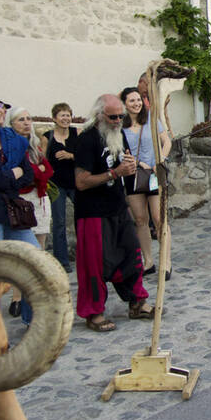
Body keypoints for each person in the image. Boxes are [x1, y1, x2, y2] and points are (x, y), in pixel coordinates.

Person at [74, 94, 154, 332]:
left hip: (117, 206)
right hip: (93, 212)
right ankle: (94, 312)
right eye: (113, 117)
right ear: (100, 116)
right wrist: (115, 173)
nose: (118, 120)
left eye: (121, 116)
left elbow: (123, 166)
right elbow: (81, 182)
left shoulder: (118, 134)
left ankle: (137, 302)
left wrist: (130, 167)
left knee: (132, 254)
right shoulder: (87, 139)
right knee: (95, 264)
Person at [0, 93, 40, 325]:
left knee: (34, 263)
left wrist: (1, 177)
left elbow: (28, 175)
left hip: (13, 213)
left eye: (0, 105)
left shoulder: (12, 140)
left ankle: (33, 322)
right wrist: (10, 174)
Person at [120, 87, 172, 278]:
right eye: (131, 101)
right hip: (133, 175)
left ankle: (166, 261)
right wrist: (135, 162)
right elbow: (119, 150)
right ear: (124, 104)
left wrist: (160, 160)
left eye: (138, 100)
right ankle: (148, 260)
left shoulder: (151, 119)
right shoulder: (120, 125)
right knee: (140, 219)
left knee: (159, 218)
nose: (136, 104)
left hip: (153, 174)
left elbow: (167, 142)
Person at [7, 107, 54, 318]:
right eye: (21, 119)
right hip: (20, 200)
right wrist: (36, 171)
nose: (26, 122)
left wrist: (37, 172)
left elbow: (48, 171)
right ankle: (17, 297)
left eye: (28, 119)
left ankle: (36, 294)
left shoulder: (35, 145)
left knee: (39, 249)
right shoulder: (10, 147)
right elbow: (29, 174)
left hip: (40, 199)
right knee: (21, 251)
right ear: (12, 124)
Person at [40, 102, 79, 272]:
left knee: (82, 219)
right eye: (62, 115)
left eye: (68, 115)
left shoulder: (77, 133)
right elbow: (42, 160)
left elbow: (85, 156)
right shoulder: (47, 137)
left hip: (76, 182)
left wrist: (71, 155)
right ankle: (62, 261)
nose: (66, 118)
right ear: (54, 118)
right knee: (59, 222)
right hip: (56, 185)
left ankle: (85, 255)